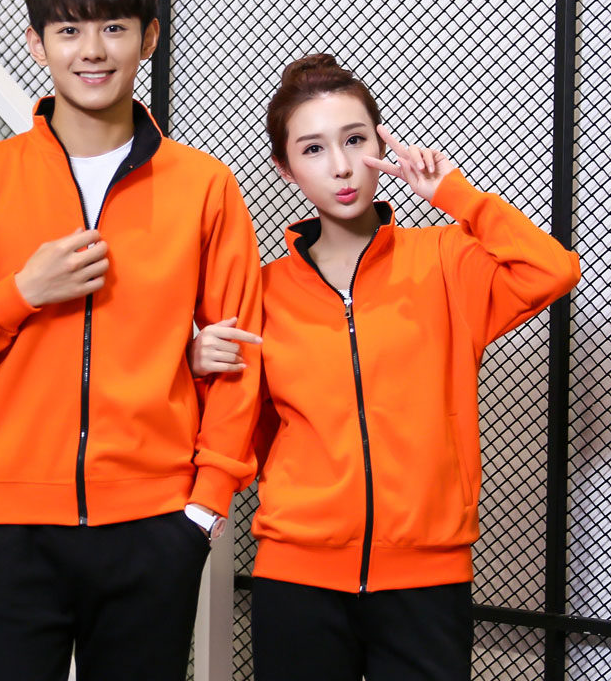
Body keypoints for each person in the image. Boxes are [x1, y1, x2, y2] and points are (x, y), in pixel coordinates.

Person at [0, 0, 262, 681]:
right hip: (9, 532)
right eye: (69, 29)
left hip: (154, 530)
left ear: (148, 39)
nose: (92, 51)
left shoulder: (204, 187)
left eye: (114, 27)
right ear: (37, 43)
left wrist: (202, 508)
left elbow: (242, 352)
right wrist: (20, 292)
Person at [192, 53, 580, 680]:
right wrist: (194, 362)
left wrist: (454, 195)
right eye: (313, 149)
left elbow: (553, 269)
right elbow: (240, 426)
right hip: (296, 579)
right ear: (285, 168)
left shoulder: (447, 260)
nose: (341, 166)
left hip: (426, 582)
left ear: (380, 145)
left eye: (354, 140)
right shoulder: (263, 292)